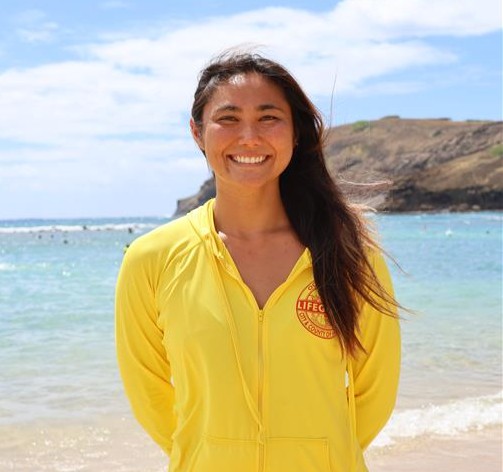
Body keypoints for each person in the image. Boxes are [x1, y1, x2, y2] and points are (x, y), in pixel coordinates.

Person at [115, 50, 401, 472]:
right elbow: (148, 390)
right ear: (197, 133)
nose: (249, 137)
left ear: (295, 133)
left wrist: (320, 455)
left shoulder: (350, 254)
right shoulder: (151, 259)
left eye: (269, 118)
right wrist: (207, 454)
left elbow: (375, 388)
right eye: (228, 118)